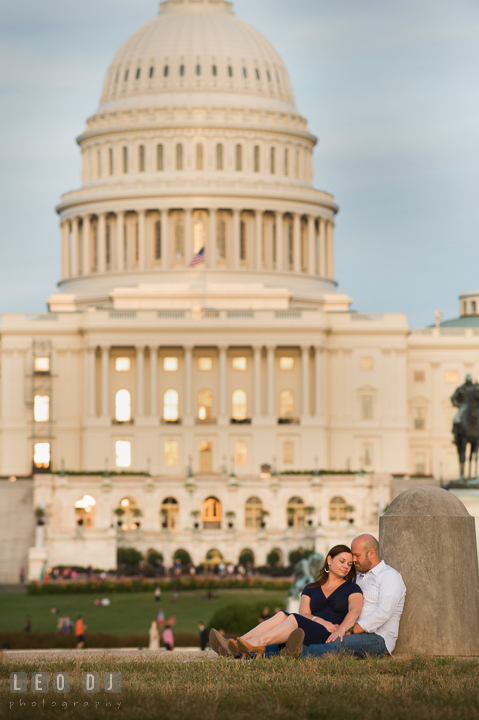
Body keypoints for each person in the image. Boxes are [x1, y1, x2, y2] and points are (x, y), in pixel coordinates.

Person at [210, 545, 363, 659]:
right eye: (342, 561)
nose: (346, 567)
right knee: (283, 615)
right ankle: (239, 643)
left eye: (349, 565)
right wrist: (319, 620)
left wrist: (341, 629)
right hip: (313, 626)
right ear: (329, 560)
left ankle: (256, 643)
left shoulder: (352, 588)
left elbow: (354, 611)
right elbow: (304, 614)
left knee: (293, 617)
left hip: (328, 634)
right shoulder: (310, 588)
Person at [284, 534, 406, 659]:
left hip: (378, 638)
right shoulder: (357, 579)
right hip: (349, 632)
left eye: (356, 555)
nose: (353, 560)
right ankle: (273, 650)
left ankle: (300, 653)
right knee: (323, 636)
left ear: (371, 553)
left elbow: (383, 613)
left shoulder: (389, 576)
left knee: (339, 643)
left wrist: (350, 631)